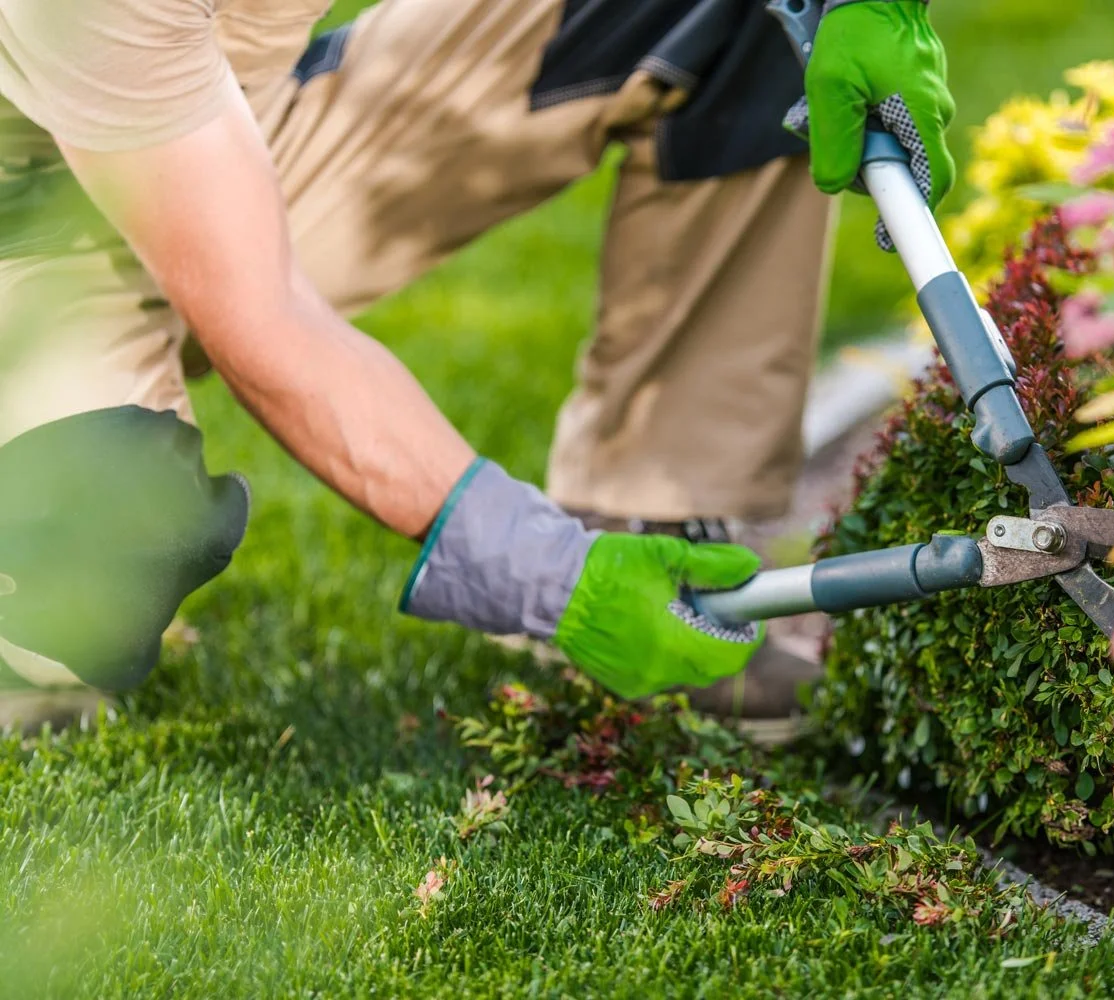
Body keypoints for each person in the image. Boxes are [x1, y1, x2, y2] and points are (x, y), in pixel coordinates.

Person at [0, 0, 954, 733]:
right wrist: (546, 578)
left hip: (234, 126)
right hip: (33, 245)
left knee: (753, 11)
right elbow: (264, 320)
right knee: (102, 562)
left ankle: (653, 532)